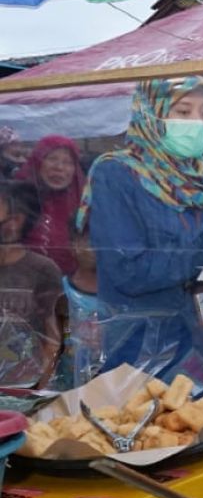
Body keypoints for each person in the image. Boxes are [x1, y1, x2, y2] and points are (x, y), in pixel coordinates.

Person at [79, 77, 203, 399]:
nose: (197, 123)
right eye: (183, 111)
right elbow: (129, 271)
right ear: (150, 112)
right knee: (158, 435)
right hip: (146, 351)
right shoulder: (117, 173)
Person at [0, 180, 62, 388]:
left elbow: (52, 336)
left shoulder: (42, 269)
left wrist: (38, 388)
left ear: (15, 220)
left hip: (23, 384)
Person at [14, 135, 86, 275]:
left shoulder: (83, 207)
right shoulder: (16, 201)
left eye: (68, 162)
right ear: (38, 162)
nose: (59, 167)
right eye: (52, 159)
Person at [50, 222, 107, 391]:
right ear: (73, 244)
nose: (95, 247)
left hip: (110, 390)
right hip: (64, 392)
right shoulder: (59, 292)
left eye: (102, 240)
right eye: (88, 240)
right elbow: (50, 344)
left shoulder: (124, 297)